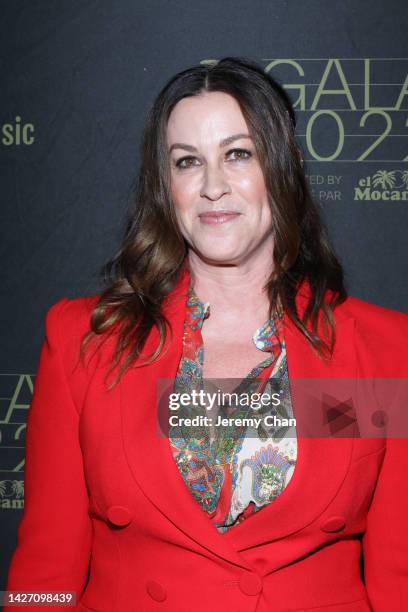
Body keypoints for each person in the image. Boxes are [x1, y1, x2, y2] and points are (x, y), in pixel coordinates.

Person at [5, 57, 408, 612]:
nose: (213, 186)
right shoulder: (87, 341)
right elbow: (42, 578)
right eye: (188, 161)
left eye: (238, 154)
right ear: (165, 185)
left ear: (286, 165)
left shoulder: (386, 351)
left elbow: (398, 581)